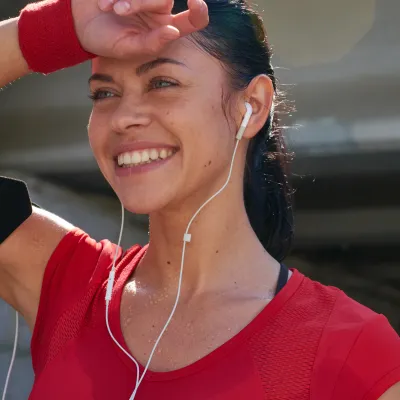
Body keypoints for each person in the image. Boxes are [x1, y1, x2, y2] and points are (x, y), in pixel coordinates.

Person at [0, 0, 399, 399]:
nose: (123, 117)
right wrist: (58, 28)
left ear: (253, 105)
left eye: (161, 83)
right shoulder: (71, 287)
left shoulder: (351, 351)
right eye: (104, 92)